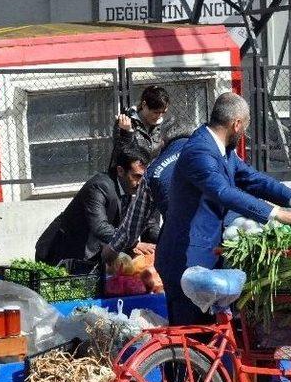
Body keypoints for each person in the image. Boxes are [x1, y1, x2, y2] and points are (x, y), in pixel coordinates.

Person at [155, 92, 291, 326]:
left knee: (210, 340)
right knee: (189, 340)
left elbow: (253, 179)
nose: (243, 135)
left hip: (205, 255)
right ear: (236, 124)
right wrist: (276, 214)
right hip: (184, 257)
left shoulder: (222, 151)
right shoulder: (199, 151)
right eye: (244, 128)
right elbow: (223, 192)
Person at [35, 146, 155, 266]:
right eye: (136, 176)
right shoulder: (99, 186)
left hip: (90, 254)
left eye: (143, 178)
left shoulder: (136, 189)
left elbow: (149, 223)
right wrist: (133, 243)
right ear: (120, 171)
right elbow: (99, 227)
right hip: (60, 252)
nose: (140, 183)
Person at [101, 118, 196, 263]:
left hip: (184, 247)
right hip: (226, 239)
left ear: (163, 142)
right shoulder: (219, 152)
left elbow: (131, 227)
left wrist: (109, 253)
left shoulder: (153, 172)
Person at [109, 85, 170, 171]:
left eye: (163, 112)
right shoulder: (126, 121)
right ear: (144, 105)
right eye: (155, 112)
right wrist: (128, 132)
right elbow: (122, 154)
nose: (159, 116)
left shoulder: (163, 125)